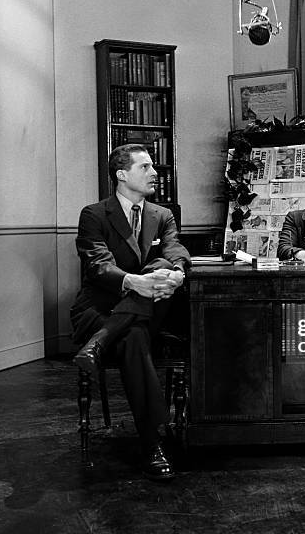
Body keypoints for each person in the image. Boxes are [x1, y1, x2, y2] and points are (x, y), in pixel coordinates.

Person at [70, 144, 190, 481]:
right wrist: (135, 283)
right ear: (122, 174)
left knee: (165, 262)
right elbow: (97, 266)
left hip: (146, 305)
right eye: (146, 167)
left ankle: (98, 344)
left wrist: (177, 272)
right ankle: (153, 445)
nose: (155, 173)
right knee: (135, 338)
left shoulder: (162, 214)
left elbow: (174, 248)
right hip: (100, 308)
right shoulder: (94, 214)